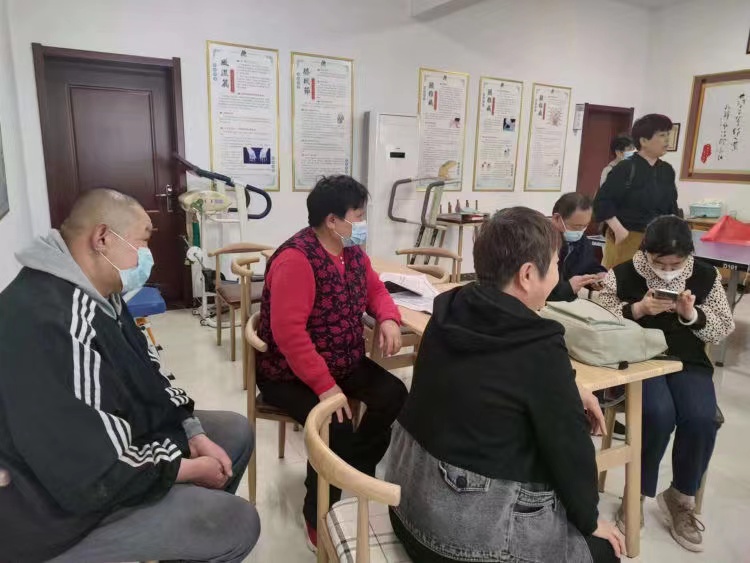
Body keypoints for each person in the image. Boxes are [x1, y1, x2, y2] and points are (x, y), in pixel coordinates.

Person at [0, 189, 260, 563]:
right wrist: (185, 469)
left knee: (233, 431)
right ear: (102, 238)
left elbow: (149, 370)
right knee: (235, 523)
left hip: (111, 448)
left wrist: (192, 433)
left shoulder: (101, 292)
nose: (146, 257)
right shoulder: (51, 322)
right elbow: (94, 473)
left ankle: (182, 540)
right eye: (143, 242)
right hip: (56, 514)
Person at [385, 207, 625, 563]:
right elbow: (569, 448)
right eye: (555, 264)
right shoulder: (537, 343)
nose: (557, 274)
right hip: (457, 541)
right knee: (604, 551)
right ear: (527, 275)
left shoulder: (450, 307)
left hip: (406, 505)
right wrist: (590, 520)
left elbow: (489, 379)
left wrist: (567, 388)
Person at [255, 175, 408, 550]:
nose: (363, 222)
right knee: (335, 425)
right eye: (358, 215)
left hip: (343, 359)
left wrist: (388, 318)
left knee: (393, 394)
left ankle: (352, 468)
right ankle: (317, 514)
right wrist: (326, 388)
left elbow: (375, 289)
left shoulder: (351, 252)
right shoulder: (296, 260)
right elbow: (290, 335)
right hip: (289, 373)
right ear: (332, 220)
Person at [598, 215, 734, 553]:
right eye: (660, 263)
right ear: (646, 252)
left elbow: (723, 327)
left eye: (677, 264)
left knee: (701, 417)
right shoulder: (624, 273)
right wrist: (638, 309)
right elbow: (600, 319)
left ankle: (680, 497)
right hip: (640, 360)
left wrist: (692, 315)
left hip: (688, 361)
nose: (668, 270)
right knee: (657, 414)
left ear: (689, 255)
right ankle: (635, 494)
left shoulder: (706, 275)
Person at [593, 114, 679, 269]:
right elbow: (602, 202)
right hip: (627, 237)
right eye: (661, 135)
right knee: (620, 280)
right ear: (644, 141)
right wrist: (619, 231)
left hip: (656, 240)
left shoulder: (667, 170)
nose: (667, 139)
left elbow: (671, 206)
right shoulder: (625, 167)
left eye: (668, 134)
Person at [548, 192, 607, 302]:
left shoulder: (582, 240)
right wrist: (568, 287)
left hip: (568, 300)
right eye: (576, 226)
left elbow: (588, 264)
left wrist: (598, 274)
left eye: (585, 226)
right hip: (545, 302)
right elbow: (533, 288)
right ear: (556, 218)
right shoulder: (540, 242)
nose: (580, 231)